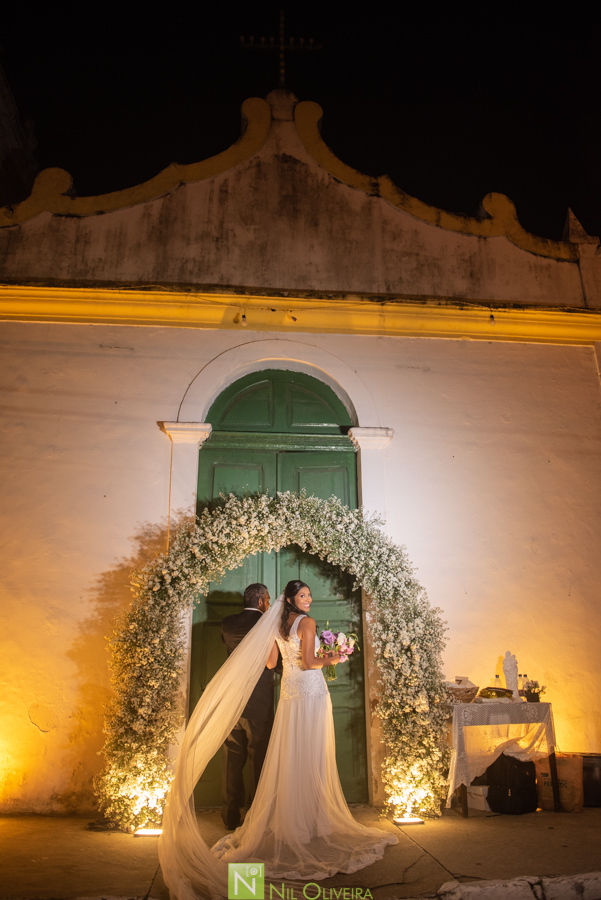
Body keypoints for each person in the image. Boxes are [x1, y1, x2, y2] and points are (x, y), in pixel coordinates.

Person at [159, 581, 397, 899]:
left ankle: (293, 822)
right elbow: (311, 662)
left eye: (310, 595)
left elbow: (271, 663)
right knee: (311, 756)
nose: (309, 599)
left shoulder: (277, 624)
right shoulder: (307, 622)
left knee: (290, 755)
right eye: (303, 595)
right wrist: (336, 657)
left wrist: (294, 659)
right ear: (290, 599)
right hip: (310, 693)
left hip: (289, 695)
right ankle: (312, 822)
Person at [220, 582, 275, 829]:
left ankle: (231, 816)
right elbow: (275, 661)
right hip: (259, 701)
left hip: (231, 701)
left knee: (232, 757)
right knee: (258, 757)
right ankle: (255, 816)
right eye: (268, 600)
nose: (269, 604)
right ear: (262, 601)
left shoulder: (228, 623)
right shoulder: (267, 624)